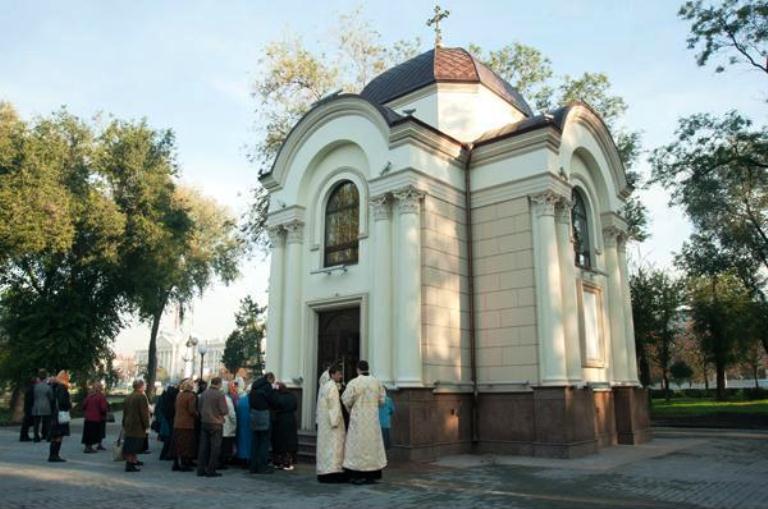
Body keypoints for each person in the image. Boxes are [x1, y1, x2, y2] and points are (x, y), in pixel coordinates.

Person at [342, 360, 387, 484]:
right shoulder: (377, 382)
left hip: (358, 420)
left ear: (358, 369)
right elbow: (382, 401)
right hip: (372, 420)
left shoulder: (354, 383)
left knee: (357, 446)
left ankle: (357, 476)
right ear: (368, 368)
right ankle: (371, 476)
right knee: (371, 446)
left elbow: (346, 400)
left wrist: (351, 410)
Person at [316, 365, 346, 483]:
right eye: (339, 374)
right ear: (332, 374)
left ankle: (323, 472)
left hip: (324, 423)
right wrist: (336, 421)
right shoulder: (332, 387)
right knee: (333, 448)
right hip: (332, 424)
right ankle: (332, 473)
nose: (340, 376)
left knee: (325, 448)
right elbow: (334, 406)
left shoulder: (325, 386)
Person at [197, 377, 229, 477]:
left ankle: (200, 469)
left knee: (203, 447)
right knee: (215, 447)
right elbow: (224, 410)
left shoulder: (204, 393)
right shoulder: (220, 394)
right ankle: (211, 470)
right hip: (216, 423)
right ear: (219, 384)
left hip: (204, 422)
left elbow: (199, 407)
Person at [249, 372, 277, 474]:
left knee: (255, 441)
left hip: (254, 414)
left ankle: (253, 466)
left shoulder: (254, 386)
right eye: (273, 381)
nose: (273, 383)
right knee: (264, 442)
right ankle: (262, 467)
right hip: (264, 415)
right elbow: (273, 401)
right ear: (270, 378)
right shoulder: (267, 387)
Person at [122, 379, 150, 472]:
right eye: (144, 385)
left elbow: (125, 411)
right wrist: (147, 425)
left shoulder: (129, 396)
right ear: (140, 386)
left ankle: (133, 461)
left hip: (129, 423)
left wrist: (123, 422)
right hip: (137, 425)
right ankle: (130, 464)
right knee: (134, 444)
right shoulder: (141, 397)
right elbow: (144, 413)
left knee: (130, 443)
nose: (145, 386)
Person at [172, 379, 198, 472]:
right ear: (191, 386)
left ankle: (176, 463)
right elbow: (191, 410)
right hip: (187, 424)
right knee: (186, 444)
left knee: (177, 444)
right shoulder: (191, 396)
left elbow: (175, 407)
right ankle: (184, 464)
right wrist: (197, 415)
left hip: (177, 422)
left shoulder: (179, 395)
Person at [271, 382, 298, 471]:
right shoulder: (292, 396)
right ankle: (287, 462)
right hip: (290, 420)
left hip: (279, 420)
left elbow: (274, 405)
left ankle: (278, 462)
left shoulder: (277, 396)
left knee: (279, 442)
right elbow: (295, 406)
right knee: (289, 442)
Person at [47, 371, 72, 462]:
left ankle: (52, 454)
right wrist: (69, 405)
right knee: (59, 435)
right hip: (60, 414)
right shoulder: (62, 388)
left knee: (55, 435)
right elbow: (63, 401)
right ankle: (54, 455)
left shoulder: (54, 387)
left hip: (55, 413)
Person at [81, 382, 108, 453]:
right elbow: (103, 408)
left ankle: (87, 447)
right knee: (93, 433)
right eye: (101, 387)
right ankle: (89, 448)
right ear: (100, 388)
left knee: (87, 433)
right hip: (96, 418)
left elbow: (83, 405)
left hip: (88, 418)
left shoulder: (89, 396)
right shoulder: (101, 396)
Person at [157, 382, 179, 460]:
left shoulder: (165, 396)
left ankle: (164, 455)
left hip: (166, 419)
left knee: (168, 438)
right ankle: (166, 455)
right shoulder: (172, 398)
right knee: (169, 438)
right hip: (169, 419)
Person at [219, 381, 238, 469]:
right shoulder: (227, 399)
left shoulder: (217, 397)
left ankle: (219, 461)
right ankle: (223, 462)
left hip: (218, 424)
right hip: (227, 425)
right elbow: (232, 414)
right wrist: (235, 423)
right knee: (225, 446)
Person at [32, 369, 52, 443]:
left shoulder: (35, 386)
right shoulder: (48, 387)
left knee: (36, 423)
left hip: (36, 405)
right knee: (47, 422)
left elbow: (32, 396)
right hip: (46, 406)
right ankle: (48, 437)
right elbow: (51, 397)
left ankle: (36, 437)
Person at [235, 381, 252, 466]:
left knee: (241, 442)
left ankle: (242, 459)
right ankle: (248, 458)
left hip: (241, 424)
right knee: (249, 442)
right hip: (250, 424)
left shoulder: (241, 400)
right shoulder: (253, 401)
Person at [19, 376, 36, 442]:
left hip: (27, 408)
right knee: (27, 423)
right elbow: (30, 399)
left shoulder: (28, 388)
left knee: (26, 423)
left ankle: (24, 436)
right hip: (30, 408)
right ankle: (24, 436)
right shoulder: (31, 388)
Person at [379, 388, 395, 452]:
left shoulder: (376, 400)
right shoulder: (388, 400)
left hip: (377, 423)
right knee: (386, 440)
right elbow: (392, 410)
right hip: (386, 423)